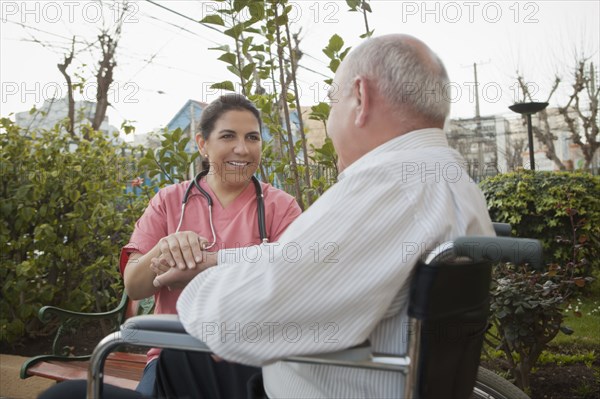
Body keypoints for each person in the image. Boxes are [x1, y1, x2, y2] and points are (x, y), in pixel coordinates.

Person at [39, 33, 494, 399]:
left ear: (361, 96)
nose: (242, 149)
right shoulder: (445, 184)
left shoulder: (386, 188)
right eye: (227, 138)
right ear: (202, 144)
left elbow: (240, 320)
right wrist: (216, 263)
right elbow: (295, 263)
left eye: (333, 102)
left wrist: (196, 280)